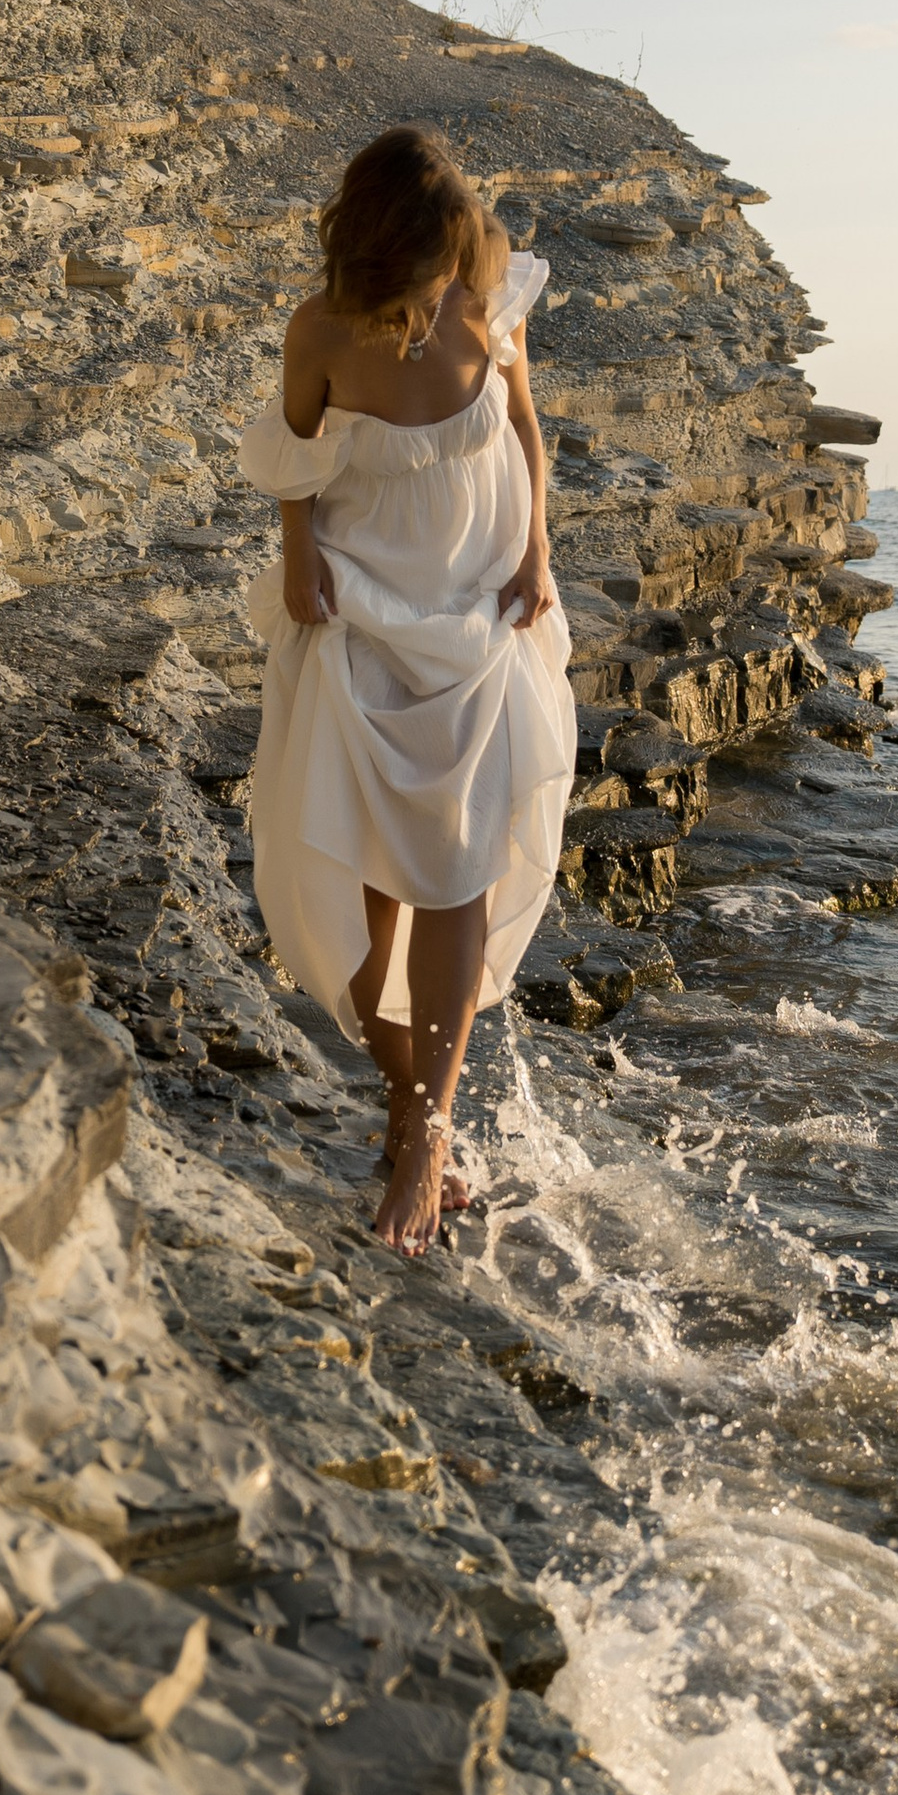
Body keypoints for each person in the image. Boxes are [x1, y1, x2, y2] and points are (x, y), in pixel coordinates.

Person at [234, 127, 574, 1253]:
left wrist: (537, 550)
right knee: (370, 881)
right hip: (364, 603)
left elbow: (523, 425)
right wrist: (295, 556)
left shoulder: (486, 291)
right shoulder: (321, 331)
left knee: (455, 861)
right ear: (380, 251)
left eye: (451, 258)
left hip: (477, 605)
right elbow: (289, 461)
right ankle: (404, 1100)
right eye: (425, 265)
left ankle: (428, 1130)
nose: (443, 283)